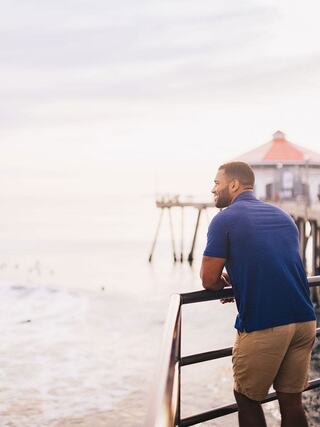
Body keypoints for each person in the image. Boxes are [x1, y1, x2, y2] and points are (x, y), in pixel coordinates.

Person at [200, 161, 316, 427]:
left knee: (247, 400)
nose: (213, 189)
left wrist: (224, 285)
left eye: (217, 183)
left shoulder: (224, 219)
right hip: (304, 320)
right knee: (291, 401)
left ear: (234, 184)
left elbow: (208, 279)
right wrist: (238, 282)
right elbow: (273, 263)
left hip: (266, 323)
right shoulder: (283, 216)